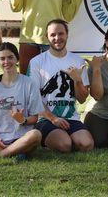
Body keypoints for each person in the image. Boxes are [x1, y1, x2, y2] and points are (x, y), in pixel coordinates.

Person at [28, 19, 94, 153]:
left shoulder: (78, 61)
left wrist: (77, 80)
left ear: (67, 35)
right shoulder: (36, 62)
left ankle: (66, 138)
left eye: (61, 34)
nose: (57, 38)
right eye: (53, 35)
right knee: (64, 145)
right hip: (45, 118)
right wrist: (53, 118)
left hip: (71, 117)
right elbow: (33, 99)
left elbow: (82, 99)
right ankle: (45, 136)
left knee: (86, 145)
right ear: (47, 37)